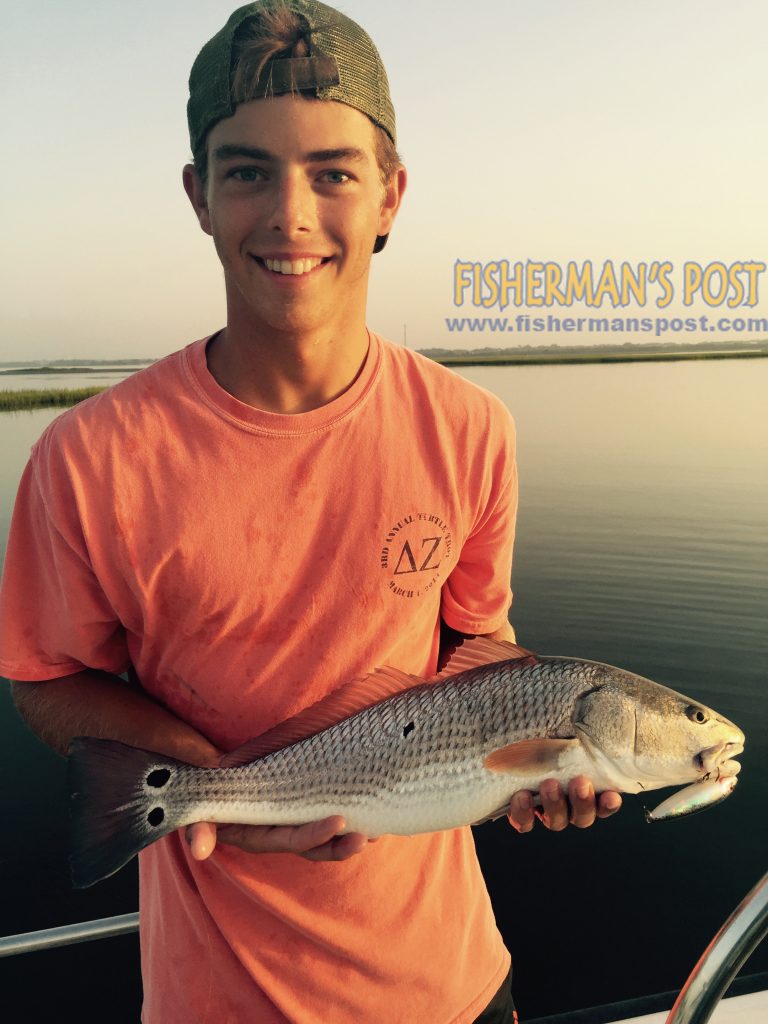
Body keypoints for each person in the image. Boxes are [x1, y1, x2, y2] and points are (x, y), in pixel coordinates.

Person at [0, 2, 621, 1021]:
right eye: (248, 172)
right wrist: (223, 786)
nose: (290, 214)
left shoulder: (472, 429)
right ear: (199, 197)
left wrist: (550, 751)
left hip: (455, 982)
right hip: (217, 998)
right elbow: (44, 678)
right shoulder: (89, 457)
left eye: (333, 172)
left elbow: (477, 643)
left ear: (391, 195)